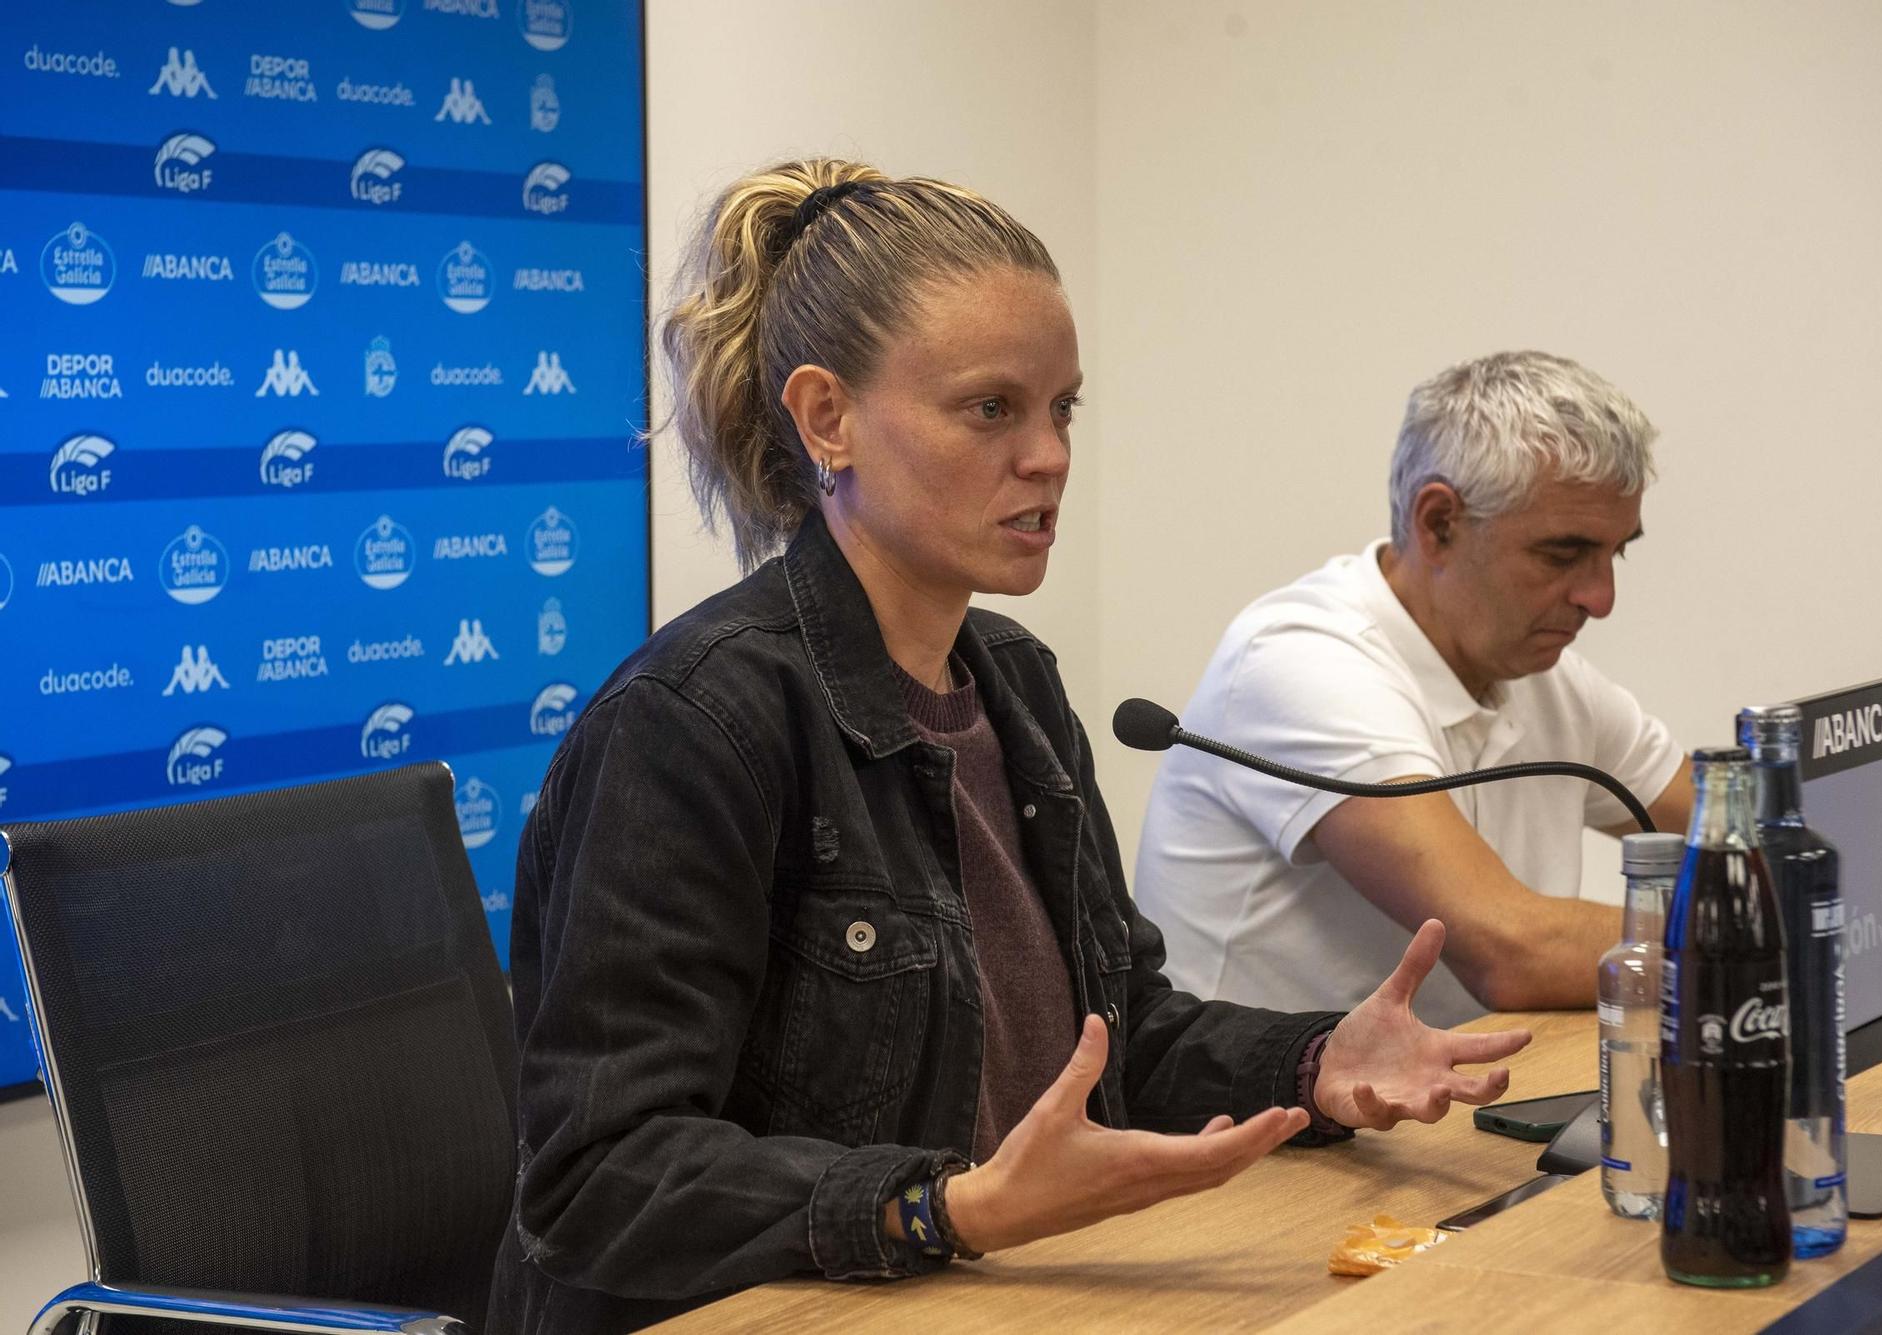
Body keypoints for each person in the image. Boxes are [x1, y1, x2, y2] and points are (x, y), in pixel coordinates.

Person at [486, 160, 1531, 1335]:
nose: (1048, 457)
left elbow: (1118, 1036)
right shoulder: (694, 720)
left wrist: (1316, 1059)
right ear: (827, 419)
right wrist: (945, 1209)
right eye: (992, 409)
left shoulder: (1014, 682)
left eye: (1061, 409)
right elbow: (601, 1179)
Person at [1135, 351, 1691, 1028]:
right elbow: (1510, 950)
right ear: (1439, 523)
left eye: (1616, 551)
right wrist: (1752, 940)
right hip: (1262, 1123)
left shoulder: (1542, 671)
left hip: (1446, 1101)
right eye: (1562, 553)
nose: (1600, 598)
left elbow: (1739, 833)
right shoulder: (1300, 660)